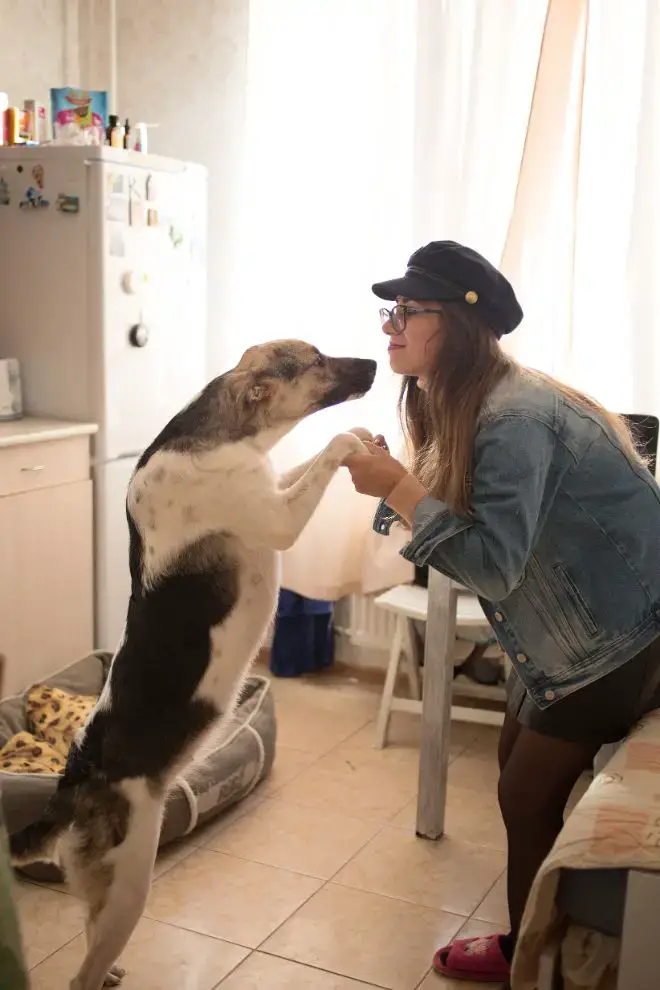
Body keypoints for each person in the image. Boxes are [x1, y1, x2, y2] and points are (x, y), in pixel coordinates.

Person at [344, 240, 660, 986]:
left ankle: (530, 961)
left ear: (457, 323)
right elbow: (459, 529)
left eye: (409, 312)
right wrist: (399, 478)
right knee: (512, 772)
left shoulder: (512, 416)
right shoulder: (474, 399)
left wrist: (395, 489)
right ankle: (536, 941)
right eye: (389, 310)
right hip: (564, 633)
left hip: (617, 640)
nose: (390, 326)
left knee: (522, 793)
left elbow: (488, 561)